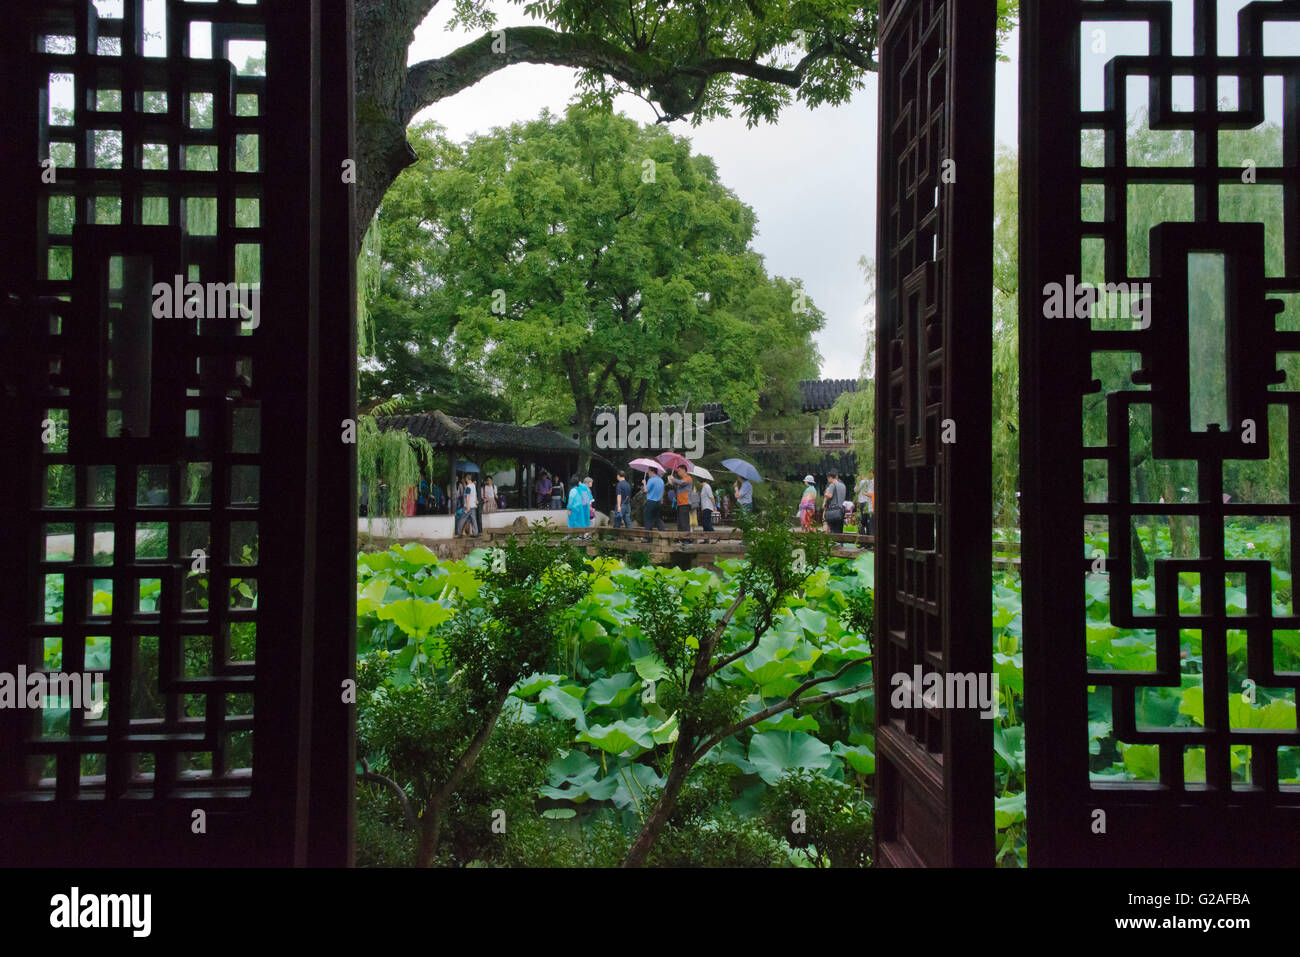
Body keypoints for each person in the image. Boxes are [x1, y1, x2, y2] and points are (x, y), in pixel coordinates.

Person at [823, 469, 847, 534]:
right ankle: (840, 543)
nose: (828, 480)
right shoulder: (843, 485)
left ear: (830, 477)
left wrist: (825, 494)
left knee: (833, 529)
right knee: (839, 530)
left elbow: (830, 495)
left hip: (833, 510)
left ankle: (834, 543)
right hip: (841, 510)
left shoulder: (832, 485)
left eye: (828, 478)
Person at [670, 466, 693, 532]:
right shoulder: (682, 479)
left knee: (684, 522)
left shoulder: (688, 478)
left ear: (684, 470)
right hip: (680, 503)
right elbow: (678, 488)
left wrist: (673, 479)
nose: (678, 472)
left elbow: (682, 483)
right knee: (680, 522)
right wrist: (673, 484)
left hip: (685, 503)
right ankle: (681, 538)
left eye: (679, 470)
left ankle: (687, 540)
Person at [644, 466, 665, 533]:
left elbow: (646, 490)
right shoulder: (661, 480)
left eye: (649, 471)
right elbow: (663, 491)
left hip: (651, 502)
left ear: (652, 471)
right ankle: (662, 533)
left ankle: (648, 538)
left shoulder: (651, 480)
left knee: (648, 519)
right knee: (657, 518)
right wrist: (661, 499)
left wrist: (644, 483)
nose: (648, 473)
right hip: (658, 502)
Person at [856, 470, 874, 537]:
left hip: (863, 503)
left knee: (862, 522)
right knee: (868, 522)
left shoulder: (862, 482)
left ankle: (862, 538)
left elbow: (856, 490)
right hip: (868, 504)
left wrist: (857, 482)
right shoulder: (870, 481)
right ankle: (869, 537)